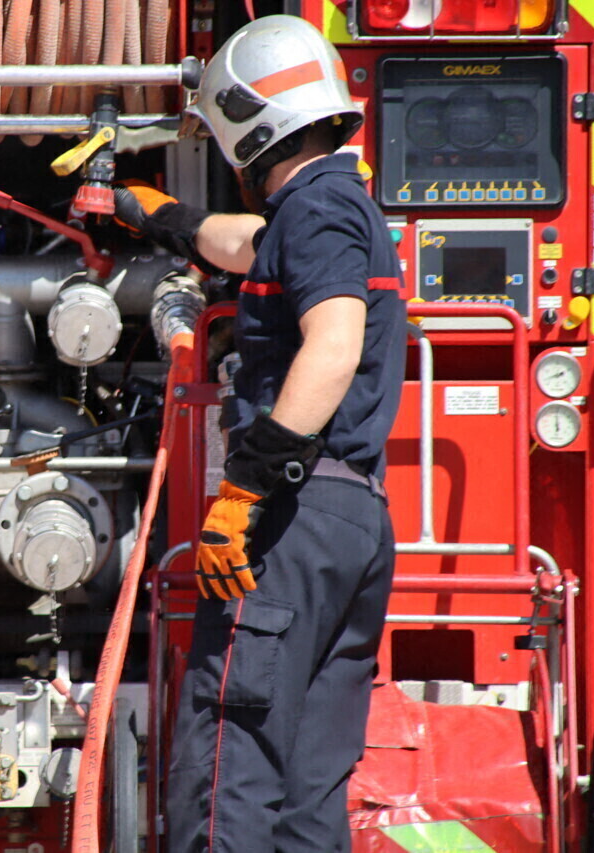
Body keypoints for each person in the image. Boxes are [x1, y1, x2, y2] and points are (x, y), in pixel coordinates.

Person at [114, 15, 407, 853]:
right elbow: (246, 244)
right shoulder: (337, 206)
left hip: (288, 518)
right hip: (351, 525)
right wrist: (163, 217)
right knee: (309, 793)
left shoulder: (314, 214)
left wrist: (247, 486)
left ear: (251, 125)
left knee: (228, 759)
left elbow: (335, 339)